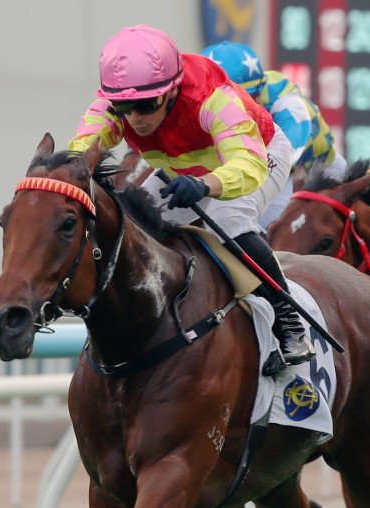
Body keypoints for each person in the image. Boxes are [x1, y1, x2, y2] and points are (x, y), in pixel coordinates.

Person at [68, 25, 312, 374]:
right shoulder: (116, 104)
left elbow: (248, 166)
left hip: (256, 154)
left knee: (230, 221)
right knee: (130, 223)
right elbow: (83, 148)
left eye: (146, 105)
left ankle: (290, 323)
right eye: (125, 108)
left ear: (171, 92)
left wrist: (206, 185)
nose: (135, 118)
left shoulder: (211, 98)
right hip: (179, 167)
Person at [200, 40, 346, 230]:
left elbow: (281, 158)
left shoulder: (286, 103)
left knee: (260, 222)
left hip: (309, 168)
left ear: (258, 95)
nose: (227, 109)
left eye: (235, 101)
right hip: (255, 161)